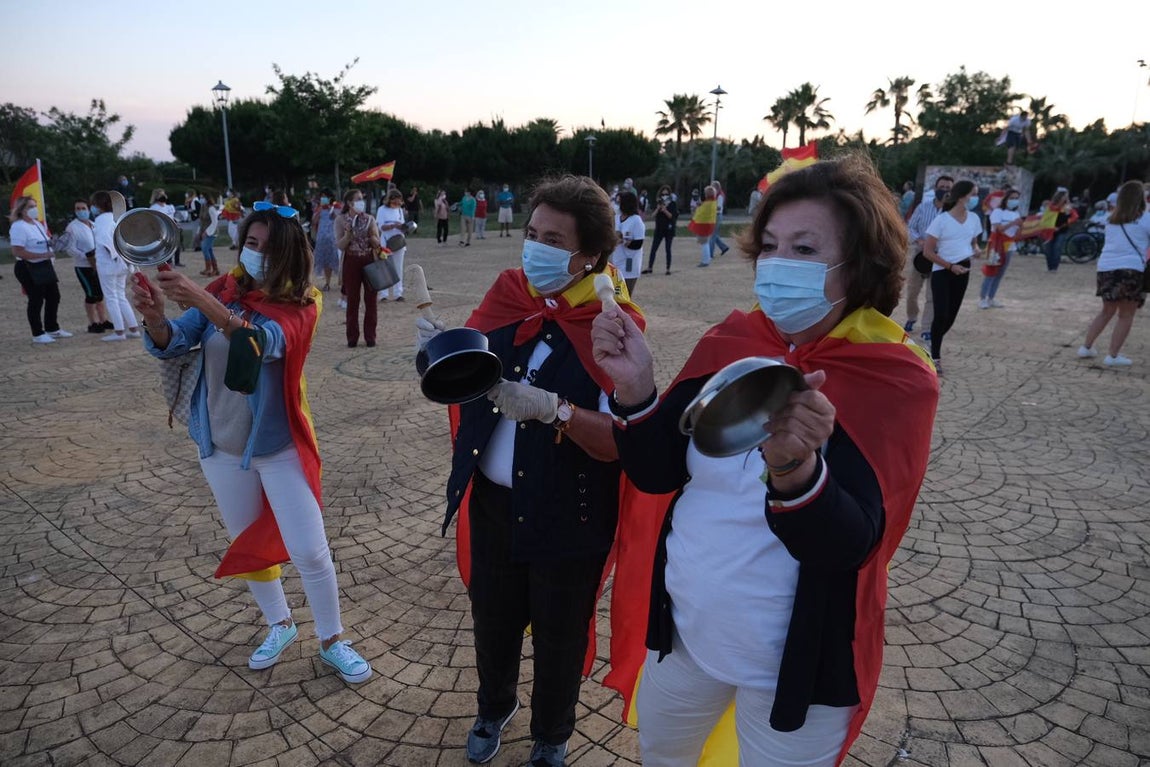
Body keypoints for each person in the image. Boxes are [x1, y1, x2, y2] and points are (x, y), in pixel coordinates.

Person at [591, 154, 938, 767]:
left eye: (804, 249)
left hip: (798, 669)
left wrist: (795, 470)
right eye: (771, 246)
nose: (778, 264)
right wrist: (636, 387)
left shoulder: (894, 376)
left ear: (859, 265)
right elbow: (656, 471)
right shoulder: (732, 342)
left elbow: (853, 545)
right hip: (685, 638)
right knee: (661, 757)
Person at [422, 175, 645, 767]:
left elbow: (621, 442)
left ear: (589, 256)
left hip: (569, 513)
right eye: (532, 233)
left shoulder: (612, 325)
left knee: (559, 634)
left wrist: (555, 409)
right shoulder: (509, 293)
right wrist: (441, 352)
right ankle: (493, 708)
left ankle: (551, 734)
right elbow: (470, 377)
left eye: (552, 240)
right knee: (492, 621)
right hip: (493, 505)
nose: (534, 248)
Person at [128, 204, 373, 685]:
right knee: (249, 544)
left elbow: (263, 343)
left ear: (290, 254)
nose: (255, 253)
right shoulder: (226, 289)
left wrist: (203, 300)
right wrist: (155, 318)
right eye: (251, 243)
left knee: (310, 550)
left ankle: (332, 640)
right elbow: (175, 341)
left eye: (267, 247)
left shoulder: (305, 302)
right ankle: (280, 624)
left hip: (279, 446)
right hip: (220, 446)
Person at [1077, 180, 1150, 367]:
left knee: (1106, 310)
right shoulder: (1146, 219)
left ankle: (1086, 347)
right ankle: (1113, 355)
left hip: (1106, 267)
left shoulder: (1111, 219)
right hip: (1131, 269)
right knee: (1126, 314)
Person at [922, 180, 981, 372]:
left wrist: (976, 249)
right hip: (942, 270)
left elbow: (973, 242)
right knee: (940, 314)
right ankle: (935, 356)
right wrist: (949, 266)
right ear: (962, 196)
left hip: (963, 269)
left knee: (950, 317)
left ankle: (932, 344)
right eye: (973, 194)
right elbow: (928, 252)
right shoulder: (941, 220)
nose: (976, 198)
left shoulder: (974, 219)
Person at [10, 195, 71, 344]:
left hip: (44, 265)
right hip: (27, 267)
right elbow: (18, 251)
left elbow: (44, 242)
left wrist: (53, 244)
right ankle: (37, 333)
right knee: (36, 299)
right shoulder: (18, 226)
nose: (34, 209)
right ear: (21, 210)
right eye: (30, 207)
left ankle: (52, 328)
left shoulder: (37, 224)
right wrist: (42, 255)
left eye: (35, 206)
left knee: (53, 296)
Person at [904, 175, 952, 338]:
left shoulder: (953, 212)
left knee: (932, 295)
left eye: (948, 188)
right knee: (912, 292)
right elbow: (910, 227)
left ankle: (926, 328)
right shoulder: (923, 207)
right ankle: (911, 317)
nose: (944, 190)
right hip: (920, 255)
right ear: (935, 188)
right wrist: (919, 240)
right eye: (942, 187)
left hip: (940, 258)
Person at [91, 190, 142, 342]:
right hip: (122, 263)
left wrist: (113, 255)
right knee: (120, 295)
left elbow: (105, 240)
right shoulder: (117, 218)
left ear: (98, 205)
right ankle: (133, 328)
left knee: (111, 297)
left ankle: (119, 331)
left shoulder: (101, 220)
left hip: (108, 263)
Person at [335, 189, 381, 347]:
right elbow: (340, 245)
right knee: (352, 300)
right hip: (351, 260)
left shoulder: (369, 219)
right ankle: (352, 337)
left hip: (369, 259)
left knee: (371, 299)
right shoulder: (341, 220)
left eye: (362, 198)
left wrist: (372, 237)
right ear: (349, 203)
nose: (361, 202)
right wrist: (348, 234)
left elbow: (377, 242)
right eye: (358, 199)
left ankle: (370, 336)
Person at [62, 199, 112, 333]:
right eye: (77, 209)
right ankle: (93, 322)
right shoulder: (72, 227)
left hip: (98, 264)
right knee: (91, 294)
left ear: (89, 210)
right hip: (83, 266)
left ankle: (103, 319)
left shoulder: (94, 225)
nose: (80, 211)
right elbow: (70, 248)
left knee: (100, 293)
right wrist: (86, 255)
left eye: (83, 208)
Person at [980, 189, 1023, 309]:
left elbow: (1017, 233)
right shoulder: (997, 212)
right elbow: (999, 228)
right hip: (996, 244)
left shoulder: (1016, 214)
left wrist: (1020, 226)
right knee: (991, 271)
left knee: (1000, 273)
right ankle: (983, 298)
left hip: (1009, 245)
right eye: (1012, 198)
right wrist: (1013, 223)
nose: (1014, 200)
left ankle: (991, 297)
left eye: (1016, 198)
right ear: (1006, 199)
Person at [375, 188, 407, 302]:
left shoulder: (399, 210)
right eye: (395, 200)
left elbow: (403, 226)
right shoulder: (382, 210)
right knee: (385, 267)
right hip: (386, 242)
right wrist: (393, 225)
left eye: (399, 200)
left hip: (399, 241)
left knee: (398, 267)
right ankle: (384, 294)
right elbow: (381, 227)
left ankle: (398, 293)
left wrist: (403, 227)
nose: (398, 203)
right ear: (390, 199)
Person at [613, 190, 645, 295]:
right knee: (617, 292)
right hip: (618, 260)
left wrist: (623, 241)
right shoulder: (617, 218)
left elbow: (638, 244)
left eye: (619, 202)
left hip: (630, 261)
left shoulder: (636, 220)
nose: (617, 205)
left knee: (626, 292)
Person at [644, 185, 678, 276]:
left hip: (669, 229)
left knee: (668, 249)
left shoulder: (672, 204)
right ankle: (650, 267)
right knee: (653, 248)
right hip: (659, 229)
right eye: (663, 194)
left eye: (666, 194)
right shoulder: (658, 204)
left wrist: (665, 210)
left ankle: (668, 268)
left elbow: (672, 216)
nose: (664, 196)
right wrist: (658, 208)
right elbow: (652, 216)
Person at [311, 190, 340, 291]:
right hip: (322, 238)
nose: (323, 199)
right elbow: (314, 222)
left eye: (325, 196)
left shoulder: (336, 207)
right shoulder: (319, 209)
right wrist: (318, 212)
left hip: (334, 238)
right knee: (325, 261)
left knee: (336, 259)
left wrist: (333, 213)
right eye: (322, 197)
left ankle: (342, 280)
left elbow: (340, 220)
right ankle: (327, 282)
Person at [1043, 189, 1078, 272]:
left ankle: (1054, 268)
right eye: (1064, 196)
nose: (1065, 198)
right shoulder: (1051, 206)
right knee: (1048, 249)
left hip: (1062, 230)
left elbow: (1075, 216)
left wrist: (1067, 221)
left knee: (1057, 248)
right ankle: (1050, 267)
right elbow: (1046, 217)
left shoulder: (1068, 207)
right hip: (1050, 230)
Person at [688, 186, 718, 267]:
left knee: (704, 243)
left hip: (704, 224)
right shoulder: (713, 202)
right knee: (706, 243)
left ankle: (705, 261)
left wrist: (698, 207)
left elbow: (700, 212)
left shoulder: (707, 203)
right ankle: (707, 259)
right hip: (709, 224)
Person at [150, 189, 182, 267]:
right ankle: (168, 262)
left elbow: (173, 217)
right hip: (162, 229)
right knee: (166, 247)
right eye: (161, 195)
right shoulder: (154, 207)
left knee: (177, 245)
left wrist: (177, 223)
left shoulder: (170, 206)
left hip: (172, 228)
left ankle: (177, 261)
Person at [199, 193, 221, 277]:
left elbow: (215, 222)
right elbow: (201, 220)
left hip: (211, 232)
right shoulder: (203, 207)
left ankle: (209, 269)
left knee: (205, 248)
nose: (201, 199)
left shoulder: (211, 208)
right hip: (205, 231)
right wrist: (200, 231)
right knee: (209, 250)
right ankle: (215, 269)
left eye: (202, 197)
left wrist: (207, 232)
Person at [710, 180, 731, 257]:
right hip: (716, 215)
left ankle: (710, 253)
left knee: (712, 235)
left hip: (717, 215)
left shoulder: (719, 196)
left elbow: (718, 207)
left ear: (717, 188)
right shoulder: (717, 195)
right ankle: (724, 247)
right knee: (714, 235)